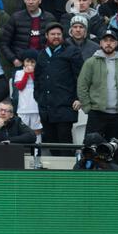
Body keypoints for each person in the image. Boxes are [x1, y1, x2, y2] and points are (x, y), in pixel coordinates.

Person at [34, 22, 83, 154]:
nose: (56, 37)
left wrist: (79, 98)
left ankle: (68, 172)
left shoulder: (72, 51)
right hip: (46, 107)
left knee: (65, 143)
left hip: (65, 106)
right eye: (52, 34)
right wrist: (38, 97)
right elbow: (37, 78)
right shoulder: (42, 54)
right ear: (46, 36)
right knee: (51, 143)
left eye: (58, 34)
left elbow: (80, 77)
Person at [78, 29, 118, 141]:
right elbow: (82, 86)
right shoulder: (91, 62)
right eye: (105, 40)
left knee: (114, 150)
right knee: (91, 148)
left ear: (117, 43)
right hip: (96, 114)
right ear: (100, 43)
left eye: (112, 40)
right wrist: (88, 108)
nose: (108, 43)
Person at [1, 0, 56, 69]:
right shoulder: (16, 18)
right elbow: (4, 43)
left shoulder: (49, 18)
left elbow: (56, 42)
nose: (30, 2)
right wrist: (14, 60)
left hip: (43, 64)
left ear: (39, 0)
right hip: (21, 64)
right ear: (24, 0)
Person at [13, 49, 42, 143]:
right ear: (23, 62)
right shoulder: (19, 73)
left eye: (33, 62)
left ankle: (37, 153)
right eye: (27, 61)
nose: (30, 64)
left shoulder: (39, 72)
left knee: (37, 131)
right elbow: (20, 87)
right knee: (22, 132)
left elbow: (39, 85)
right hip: (23, 108)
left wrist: (33, 74)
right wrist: (26, 74)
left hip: (36, 108)